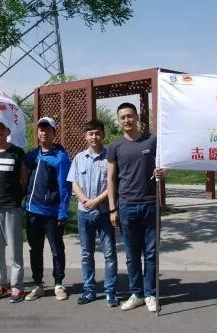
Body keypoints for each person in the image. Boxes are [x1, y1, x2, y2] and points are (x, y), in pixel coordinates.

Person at [107, 102, 164, 313]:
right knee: (132, 255)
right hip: (126, 206)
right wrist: (112, 209)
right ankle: (137, 294)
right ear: (118, 120)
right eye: (122, 117)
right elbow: (110, 179)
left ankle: (150, 294)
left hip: (150, 204)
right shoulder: (115, 146)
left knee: (151, 253)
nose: (127, 120)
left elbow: (165, 164)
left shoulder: (152, 141)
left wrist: (163, 172)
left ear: (137, 117)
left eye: (130, 116)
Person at [67, 119, 119, 307]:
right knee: (86, 254)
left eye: (97, 133)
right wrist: (83, 199)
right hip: (84, 213)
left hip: (104, 212)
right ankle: (89, 290)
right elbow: (74, 182)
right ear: (85, 136)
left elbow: (113, 184)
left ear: (103, 135)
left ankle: (110, 292)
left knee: (109, 253)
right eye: (90, 134)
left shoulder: (109, 158)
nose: (94, 137)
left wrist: (96, 201)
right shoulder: (79, 158)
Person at [23, 117, 72, 301]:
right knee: (35, 250)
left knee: (57, 250)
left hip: (52, 213)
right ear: (37, 132)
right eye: (41, 129)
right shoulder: (31, 156)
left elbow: (65, 187)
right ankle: (38, 285)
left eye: (47, 130)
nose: (43, 133)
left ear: (54, 133)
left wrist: (63, 211)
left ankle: (59, 284)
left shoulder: (60, 157)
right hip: (32, 211)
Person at [0, 121, 27, 303]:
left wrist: (17, 197)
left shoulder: (17, 152)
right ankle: (0, 284)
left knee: (15, 250)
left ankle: (17, 286)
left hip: (11, 207)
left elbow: (24, 178)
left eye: (2, 129)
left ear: (8, 131)